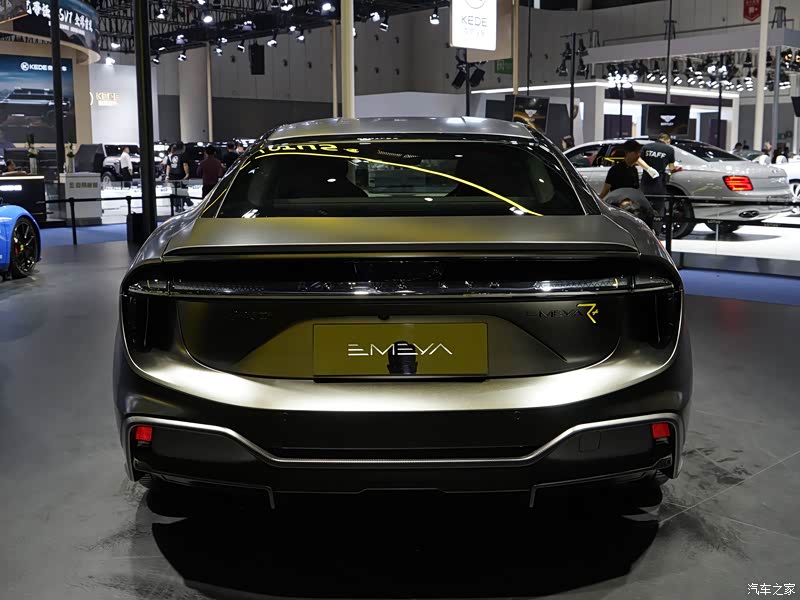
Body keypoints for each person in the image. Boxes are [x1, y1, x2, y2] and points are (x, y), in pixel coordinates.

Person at [639, 133, 677, 218]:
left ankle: (644, 222)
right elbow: (671, 167)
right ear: (668, 140)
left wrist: (649, 169)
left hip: (646, 180)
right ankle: (657, 223)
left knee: (644, 204)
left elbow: (638, 159)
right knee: (659, 205)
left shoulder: (646, 147)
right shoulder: (669, 149)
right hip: (659, 181)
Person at [166, 142, 190, 213]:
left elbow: (168, 166)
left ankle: (177, 206)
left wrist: (167, 175)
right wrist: (187, 174)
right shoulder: (183, 155)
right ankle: (182, 205)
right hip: (181, 176)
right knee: (182, 190)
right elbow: (185, 165)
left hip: (172, 176)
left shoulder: (172, 155)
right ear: (182, 147)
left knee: (175, 191)